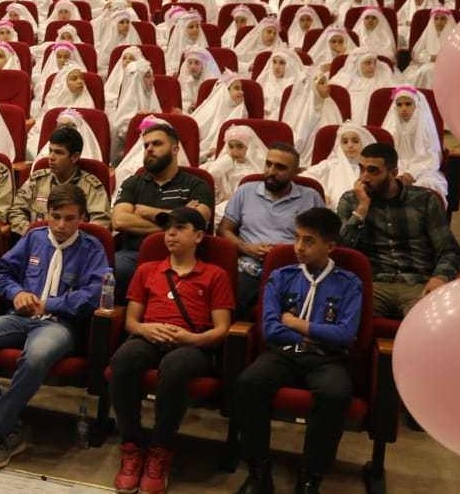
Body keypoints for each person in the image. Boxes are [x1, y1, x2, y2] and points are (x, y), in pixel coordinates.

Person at [0, 184, 109, 472]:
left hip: (59, 324)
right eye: (55, 216)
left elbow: (94, 294)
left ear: (82, 218)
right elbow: (4, 273)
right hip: (20, 316)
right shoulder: (34, 237)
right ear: (46, 213)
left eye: (70, 218)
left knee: (36, 356)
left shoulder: (92, 248)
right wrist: (17, 293)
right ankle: (9, 428)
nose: (61, 225)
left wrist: (51, 304)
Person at [234, 207, 361, 494]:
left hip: (327, 359)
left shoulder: (349, 283)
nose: (299, 247)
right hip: (284, 353)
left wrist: (297, 324)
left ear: (330, 246)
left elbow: (345, 335)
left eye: (309, 241)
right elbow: (270, 328)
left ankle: (311, 477)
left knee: (335, 394)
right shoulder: (281, 276)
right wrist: (315, 335)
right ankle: (258, 472)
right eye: (297, 238)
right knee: (249, 383)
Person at [110, 207, 233, 494]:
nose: (171, 234)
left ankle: (160, 450)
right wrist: (145, 329)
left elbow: (221, 329)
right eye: (168, 229)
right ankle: (131, 446)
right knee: (123, 359)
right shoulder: (147, 270)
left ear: (199, 236)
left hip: (192, 343)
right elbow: (131, 321)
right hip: (150, 337)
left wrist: (192, 338)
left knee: (175, 366)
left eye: (180, 228)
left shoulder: (215, 275)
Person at [337, 142, 460, 318]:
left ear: (393, 173)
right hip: (375, 284)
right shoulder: (351, 201)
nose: (364, 177)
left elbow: (450, 251)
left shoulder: (424, 200)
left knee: (427, 324)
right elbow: (341, 251)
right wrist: (361, 210)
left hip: (418, 283)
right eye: (362, 169)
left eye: (373, 171)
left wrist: (440, 278)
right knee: (345, 320)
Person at [218, 143, 324, 318]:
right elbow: (224, 230)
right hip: (249, 265)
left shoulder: (311, 197)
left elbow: (321, 241)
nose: (271, 171)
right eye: (268, 164)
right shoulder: (245, 191)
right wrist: (246, 248)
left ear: (295, 172)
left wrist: (286, 252)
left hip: (294, 267)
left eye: (280, 167)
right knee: (233, 300)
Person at [111, 123, 214, 300]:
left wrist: (148, 212)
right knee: (116, 268)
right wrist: (177, 224)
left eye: (157, 144)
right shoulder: (132, 183)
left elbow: (199, 218)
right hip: (134, 256)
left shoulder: (197, 184)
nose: (149, 149)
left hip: (182, 258)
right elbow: (119, 221)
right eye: (146, 145)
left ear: (175, 149)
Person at [6, 125, 111, 235]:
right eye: (50, 150)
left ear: (74, 157)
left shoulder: (90, 186)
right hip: (36, 242)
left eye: (59, 152)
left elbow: (100, 223)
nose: (51, 157)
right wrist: (31, 233)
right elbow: (16, 210)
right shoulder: (37, 180)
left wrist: (73, 239)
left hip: (75, 243)